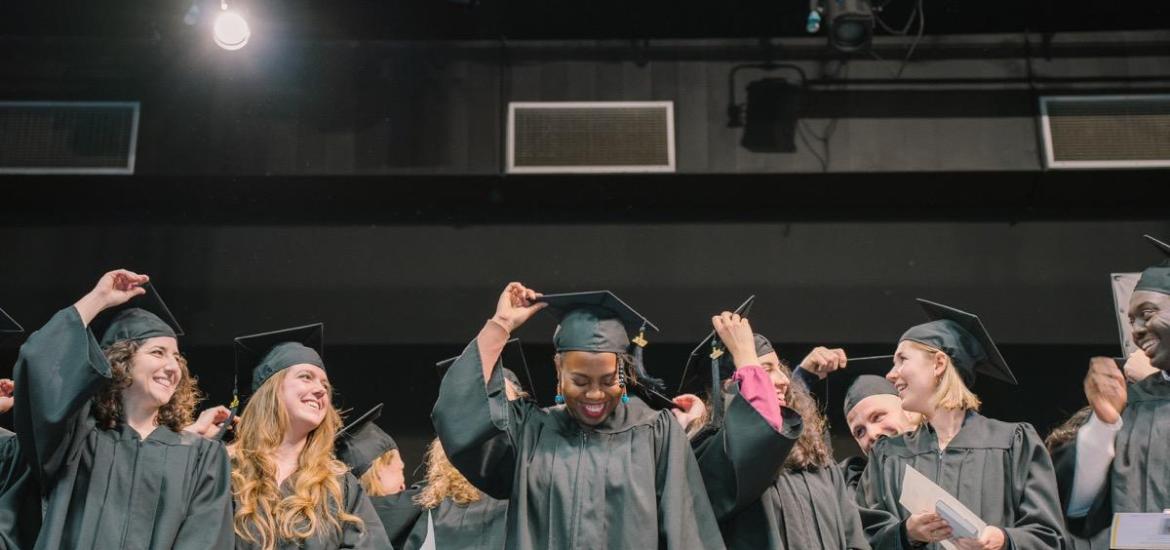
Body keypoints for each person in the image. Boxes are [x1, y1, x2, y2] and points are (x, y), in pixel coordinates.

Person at [431, 283, 725, 549]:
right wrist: (501, 325)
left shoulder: (656, 433)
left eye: (608, 381)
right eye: (581, 382)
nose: (595, 394)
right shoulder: (531, 433)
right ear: (558, 371)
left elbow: (688, 533)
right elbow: (462, 419)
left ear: (623, 373)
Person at [12, 269, 233, 549]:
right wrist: (98, 298)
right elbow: (40, 363)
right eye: (158, 353)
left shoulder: (202, 457)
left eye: (177, 358)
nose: (172, 367)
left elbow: (205, 539)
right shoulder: (76, 441)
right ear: (121, 361)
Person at [858, 299, 1065, 550]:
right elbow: (859, 538)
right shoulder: (888, 456)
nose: (891, 374)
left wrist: (1004, 540)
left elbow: (1049, 536)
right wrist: (905, 534)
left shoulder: (1012, 444)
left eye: (902, 359)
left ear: (939, 364)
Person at [678, 311, 868, 549]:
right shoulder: (717, 460)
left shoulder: (816, 461)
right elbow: (757, 436)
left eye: (780, 368)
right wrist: (744, 354)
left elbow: (854, 539)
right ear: (731, 384)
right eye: (765, 369)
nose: (783, 380)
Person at [230, 323, 390, 550]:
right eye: (306, 377)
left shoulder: (339, 485)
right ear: (271, 389)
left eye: (325, 385)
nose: (320, 390)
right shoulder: (227, 473)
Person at [1058, 235, 1170, 548]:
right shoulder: (1132, 407)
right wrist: (1104, 424)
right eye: (1131, 320)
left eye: (1147, 314)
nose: (1135, 331)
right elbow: (1080, 511)